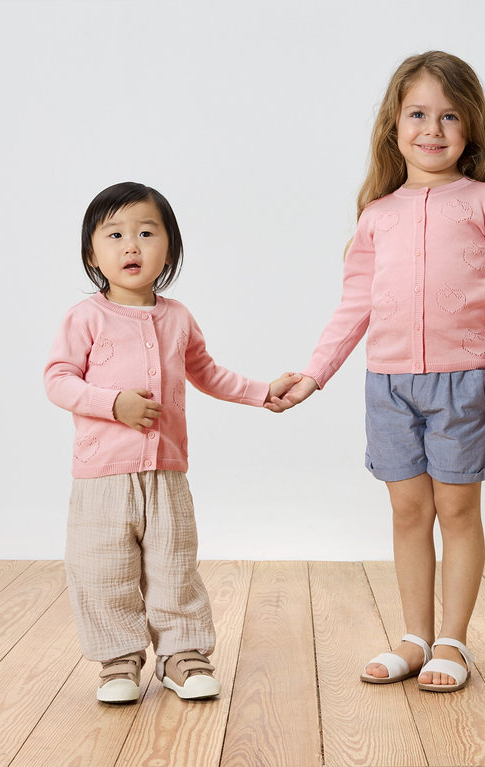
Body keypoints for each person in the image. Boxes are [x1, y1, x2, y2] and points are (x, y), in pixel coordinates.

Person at [269, 51, 485, 693]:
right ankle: (415, 638)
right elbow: (355, 304)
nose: (432, 129)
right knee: (408, 512)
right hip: (386, 385)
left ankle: (453, 641)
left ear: (470, 128)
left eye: (449, 116)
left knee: (458, 511)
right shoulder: (377, 214)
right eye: (417, 113)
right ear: (394, 125)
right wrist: (313, 374)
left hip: (464, 380)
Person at [45, 182, 299, 703]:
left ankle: (182, 655)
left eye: (145, 232)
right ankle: (119, 659)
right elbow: (57, 379)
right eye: (114, 235)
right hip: (102, 477)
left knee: (174, 566)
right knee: (101, 568)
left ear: (171, 247)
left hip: (166, 469)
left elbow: (205, 372)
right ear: (93, 252)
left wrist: (260, 392)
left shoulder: (177, 317)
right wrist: (114, 403)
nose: (131, 246)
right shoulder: (85, 317)